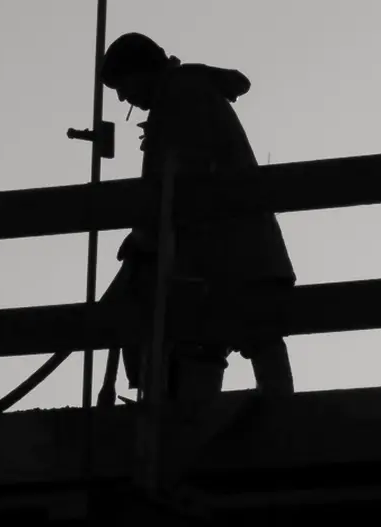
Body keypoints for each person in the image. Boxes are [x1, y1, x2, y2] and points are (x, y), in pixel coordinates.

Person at [99, 33, 295, 405]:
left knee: (235, 333)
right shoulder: (184, 95)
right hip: (224, 251)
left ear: (140, 71)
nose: (124, 98)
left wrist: (146, 236)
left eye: (122, 86)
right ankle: (238, 421)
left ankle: (267, 424)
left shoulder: (181, 97)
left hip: (229, 250)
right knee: (218, 336)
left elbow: (180, 182)